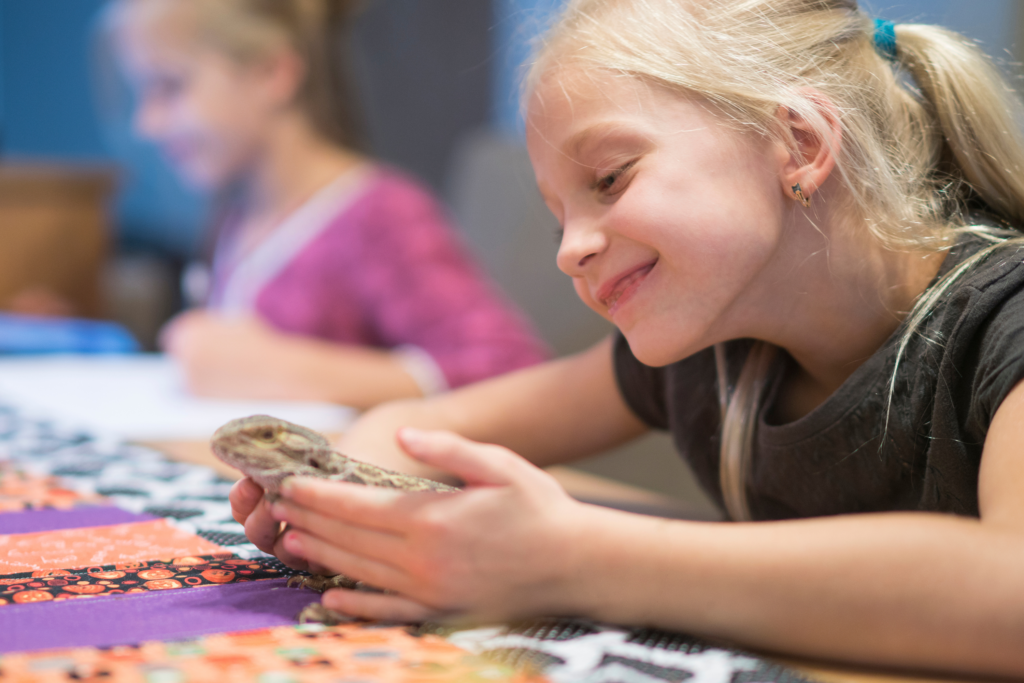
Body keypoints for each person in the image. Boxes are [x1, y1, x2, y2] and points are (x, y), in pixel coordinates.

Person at [230, 0, 1024, 676]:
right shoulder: (714, 349)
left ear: (802, 144)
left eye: (609, 179)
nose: (569, 248)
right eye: (558, 217)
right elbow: (418, 435)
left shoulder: (1004, 319)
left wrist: (575, 558)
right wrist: (341, 497)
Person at [106, 0, 548, 409]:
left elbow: (511, 370)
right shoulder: (234, 216)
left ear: (271, 73)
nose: (146, 124)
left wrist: (282, 369)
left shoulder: (380, 216)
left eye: (170, 87)